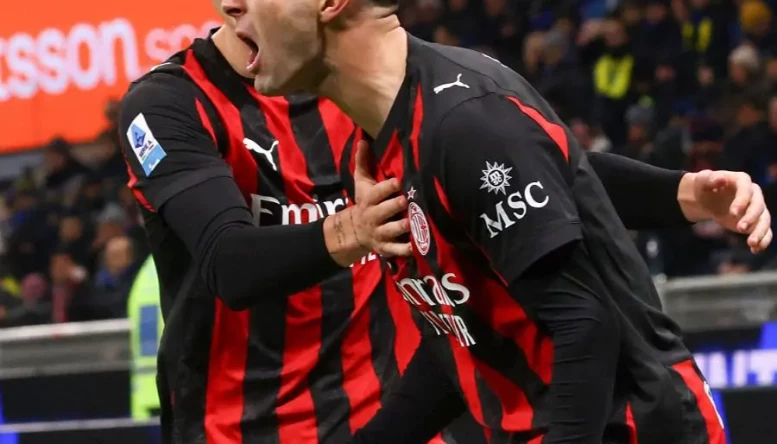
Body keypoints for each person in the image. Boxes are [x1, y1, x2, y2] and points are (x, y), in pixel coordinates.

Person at [120, 2, 771, 444]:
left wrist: (675, 193)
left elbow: (580, 320)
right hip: (245, 421)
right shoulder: (376, 128)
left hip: (625, 422)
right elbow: (456, 333)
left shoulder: (447, 117)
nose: (233, 4)